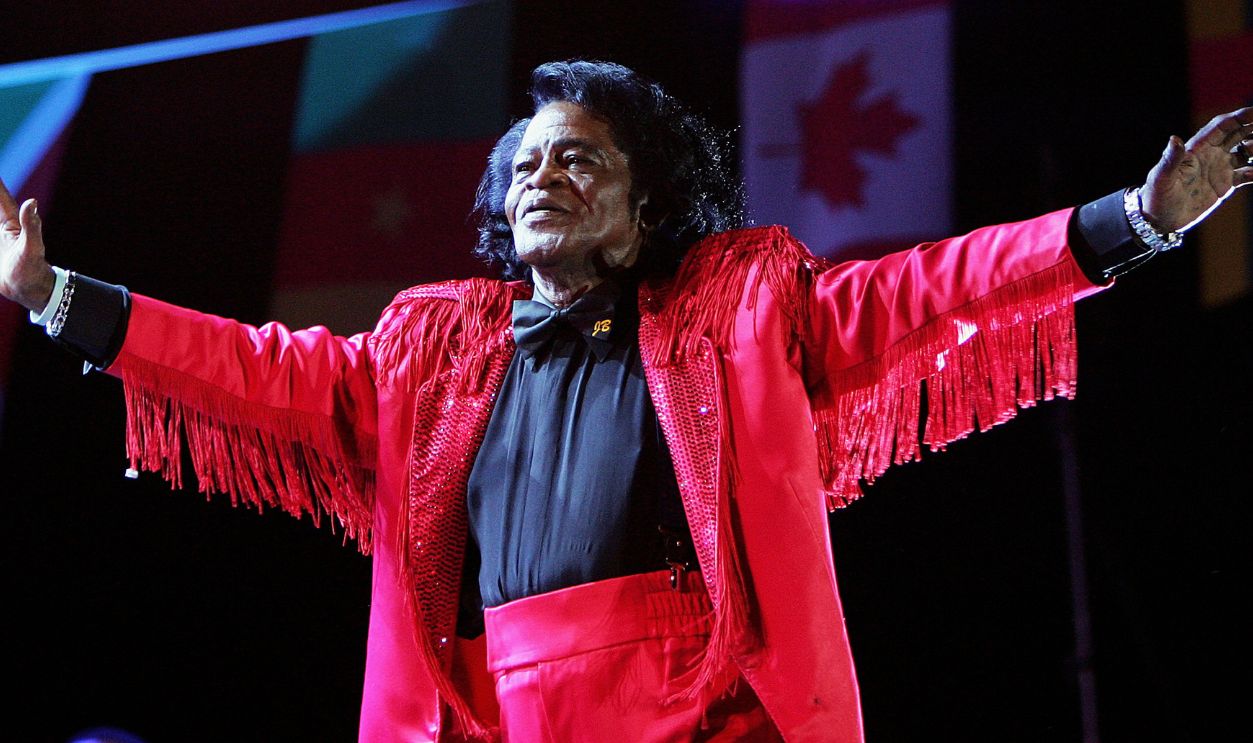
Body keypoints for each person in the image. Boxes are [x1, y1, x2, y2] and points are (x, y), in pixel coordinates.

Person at [1, 60, 1250, 742]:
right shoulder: (430, 347)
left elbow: (928, 291)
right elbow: (244, 366)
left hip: (700, 706)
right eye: (527, 162)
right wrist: (58, 294)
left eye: (580, 156)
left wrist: (1127, 223)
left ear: (642, 203)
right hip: (497, 714)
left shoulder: (738, 303)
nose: (546, 174)